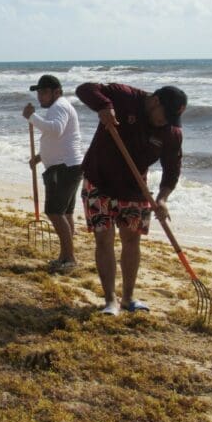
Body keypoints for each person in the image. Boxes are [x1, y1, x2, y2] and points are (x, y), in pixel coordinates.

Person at [76, 82, 187, 316]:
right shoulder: (124, 96)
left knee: (131, 242)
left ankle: (128, 298)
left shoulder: (171, 133)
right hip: (99, 182)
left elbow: (172, 169)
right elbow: (84, 89)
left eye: (171, 120)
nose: (165, 122)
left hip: (135, 190)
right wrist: (104, 107)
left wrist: (163, 198)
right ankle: (110, 301)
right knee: (104, 240)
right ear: (155, 101)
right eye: (164, 116)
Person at [22, 74, 83, 275]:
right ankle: (65, 256)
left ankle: (70, 258)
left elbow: (56, 130)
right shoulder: (59, 107)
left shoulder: (60, 106)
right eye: (38, 92)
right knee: (65, 213)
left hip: (63, 168)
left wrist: (32, 117)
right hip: (67, 166)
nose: (40, 97)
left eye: (44, 92)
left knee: (55, 212)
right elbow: (58, 137)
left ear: (56, 92)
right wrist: (40, 156)